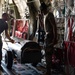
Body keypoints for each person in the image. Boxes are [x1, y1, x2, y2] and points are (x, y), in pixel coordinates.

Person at [40, 2, 57, 75]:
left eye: (42, 10)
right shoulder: (44, 16)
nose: (42, 12)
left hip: (50, 36)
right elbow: (42, 27)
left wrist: (55, 38)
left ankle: (48, 71)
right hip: (47, 36)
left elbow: (54, 26)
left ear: (44, 9)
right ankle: (48, 70)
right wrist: (40, 19)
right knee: (47, 53)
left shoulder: (50, 15)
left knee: (48, 54)